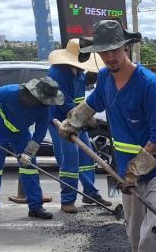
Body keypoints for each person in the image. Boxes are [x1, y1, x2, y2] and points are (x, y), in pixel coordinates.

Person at [59, 20, 156, 252]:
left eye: (114, 50)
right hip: (126, 173)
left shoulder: (148, 84)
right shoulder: (106, 83)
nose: (110, 57)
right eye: (103, 52)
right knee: (135, 235)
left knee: (154, 234)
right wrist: (72, 121)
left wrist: (136, 170)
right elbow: (91, 105)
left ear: (125, 47)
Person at [0, 77, 63, 221]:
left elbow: (40, 132)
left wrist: (28, 153)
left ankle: (35, 207)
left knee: (29, 167)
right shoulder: (9, 92)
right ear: (33, 94)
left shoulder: (44, 108)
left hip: (21, 134)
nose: (45, 104)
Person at [46, 39, 115, 214]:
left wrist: (86, 115)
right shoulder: (57, 73)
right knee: (69, 159)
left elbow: (78, 100)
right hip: (60, 121)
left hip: (76, 119)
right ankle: (67, 199)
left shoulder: (80, 73)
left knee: (87, 155)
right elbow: (61, 101)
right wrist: (82, 117)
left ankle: (90, 193)